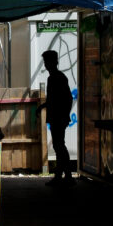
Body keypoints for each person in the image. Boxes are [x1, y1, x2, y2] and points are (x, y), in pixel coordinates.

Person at [37, 50, 74, 185]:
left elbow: (67, 98)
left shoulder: (57, 78)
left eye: (48, 62)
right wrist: (42, 107)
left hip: (58, 118)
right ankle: (62, 175)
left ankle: (66, 176)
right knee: (59, 145)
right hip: (56, 117)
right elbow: (54, 99)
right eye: (46, 62)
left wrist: (64, 115)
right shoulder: (54, 77)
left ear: (53, 62)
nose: (46, 65)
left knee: (59, 145)